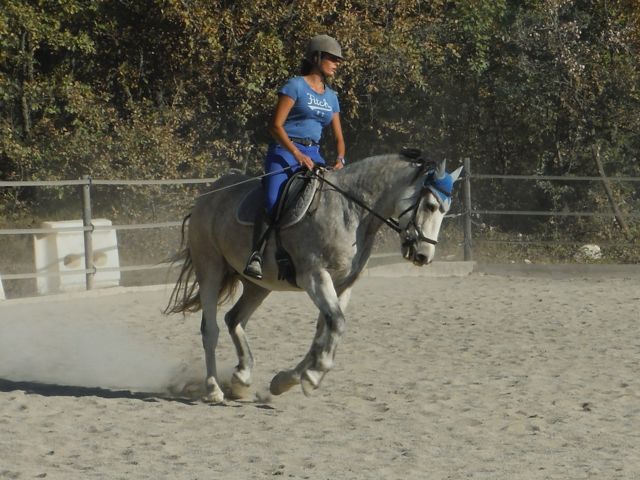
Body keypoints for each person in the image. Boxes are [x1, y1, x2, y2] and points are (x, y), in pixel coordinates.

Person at [243, 34, 347, 280]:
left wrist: (341, 158)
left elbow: (339, 138)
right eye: (332, 58)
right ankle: (256, 255)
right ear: (316, 58)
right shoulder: (295, 86)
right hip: (285, 151)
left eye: (338, 60)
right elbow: (275, 126)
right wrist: (296, 153)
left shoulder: (332, 97)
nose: (337, 64)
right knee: (272, 199)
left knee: (330, 201)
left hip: (314, 154)